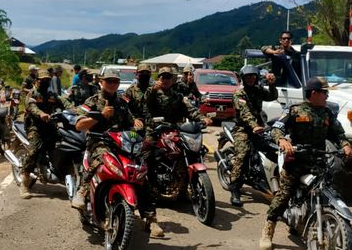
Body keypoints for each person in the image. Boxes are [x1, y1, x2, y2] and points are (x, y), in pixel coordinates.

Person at [260, 76, 352, 250]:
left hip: (318, 161)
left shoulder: (327, 113)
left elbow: (338, 134)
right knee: (284, 194)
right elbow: (277, 127)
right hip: (297, 161)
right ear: (314, 93)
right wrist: (282, 141)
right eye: (324, 92)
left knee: (331, 193)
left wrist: (346, 145)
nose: (327, 96)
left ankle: (340, 233)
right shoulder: (295, 111)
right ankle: (268, 228)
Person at [142, 66, 213, 237]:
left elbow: (190, 109)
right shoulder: (152, 92)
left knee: (187, 152)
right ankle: (146, 192)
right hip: (154, 129)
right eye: (163, 76)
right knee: (147, 157)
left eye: (169, 77)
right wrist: (153, 89)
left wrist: (202, 118)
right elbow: (146, 103)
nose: (165, 79)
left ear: (173, 79)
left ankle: (182, 189)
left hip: (174, 130)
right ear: (158, 78)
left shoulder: (178, 96)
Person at [72, 68, 143, 210]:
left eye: (115, 81)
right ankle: (82, 191)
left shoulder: (122, 102)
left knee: (140, 168)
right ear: (101, 82)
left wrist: (136, 122)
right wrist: (100, 115)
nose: (112, 84)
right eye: (109, 81)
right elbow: (79, 125)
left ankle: (150, 216)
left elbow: (130, 122)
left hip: (121, 143)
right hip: (99, 141)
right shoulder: (92, 101)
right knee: (102, 157)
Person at [228, 65, 278, 206]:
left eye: (253, 76)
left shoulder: (258, 90)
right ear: (243, 78)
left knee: (272, 148)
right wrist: (254, 125)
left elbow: (272, 96)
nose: (251, 78)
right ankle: (235, 189)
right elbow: (245, 113)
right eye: (248, 76)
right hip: (242, 129)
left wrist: (272, 84)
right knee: (242, 155)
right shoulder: (239, 94)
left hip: (259, 128)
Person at [19, 72, 70, 199]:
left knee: (66, 143)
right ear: (37, 80)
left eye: (47, 80)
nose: (45, 82)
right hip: (34, 127)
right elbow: (31, 107)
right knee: (33, 151)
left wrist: (77, 110)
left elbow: (65, 102)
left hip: (50, 125)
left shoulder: (51, 95)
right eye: (43, 80)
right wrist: (41, 113)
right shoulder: (32, 94)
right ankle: (24, 183)